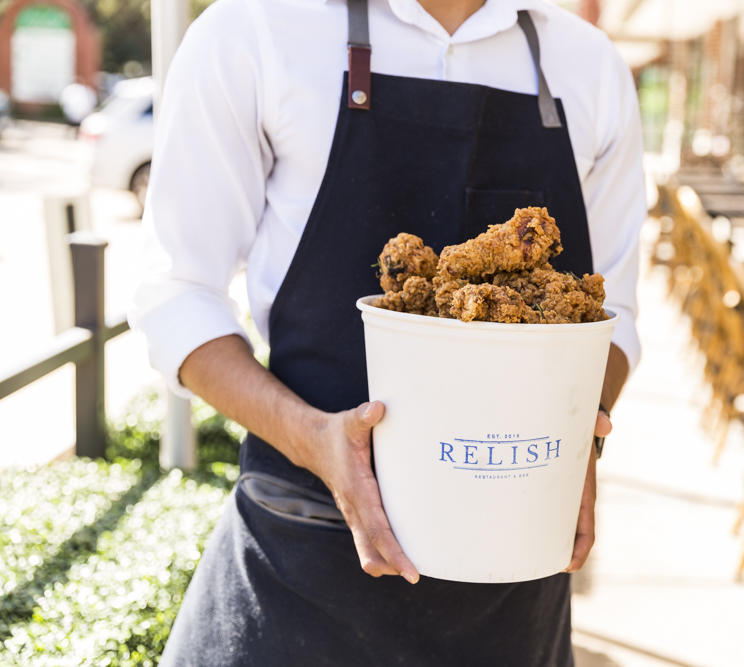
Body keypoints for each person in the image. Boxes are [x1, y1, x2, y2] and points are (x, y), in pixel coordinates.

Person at [128, 0, 644, 662]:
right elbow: (177, 293)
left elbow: (615, 314)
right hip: (300, 567)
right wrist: (310, 436)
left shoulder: (590, 67)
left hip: (511, 587)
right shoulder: (254, 31)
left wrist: (581, 430)